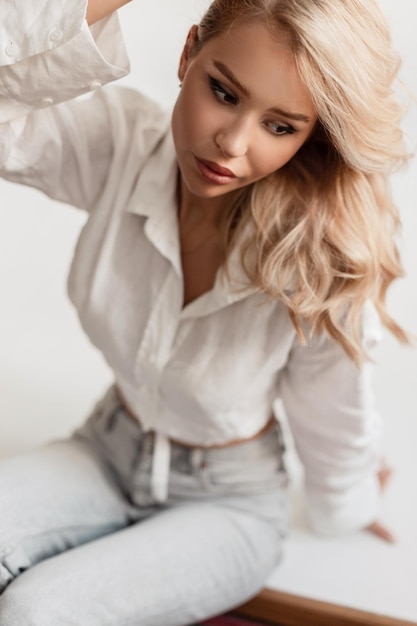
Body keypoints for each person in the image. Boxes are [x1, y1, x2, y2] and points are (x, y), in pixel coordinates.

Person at [0, 0, 410, 624]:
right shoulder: (123, 145)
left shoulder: (317, 263)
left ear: (311, 136)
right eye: (224, 92)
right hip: (105, 449)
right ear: (188, 53)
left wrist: (346, 509)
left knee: (35, 612)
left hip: (230, 504)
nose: (233, 142)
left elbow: (335, 419)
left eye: (280, 126)